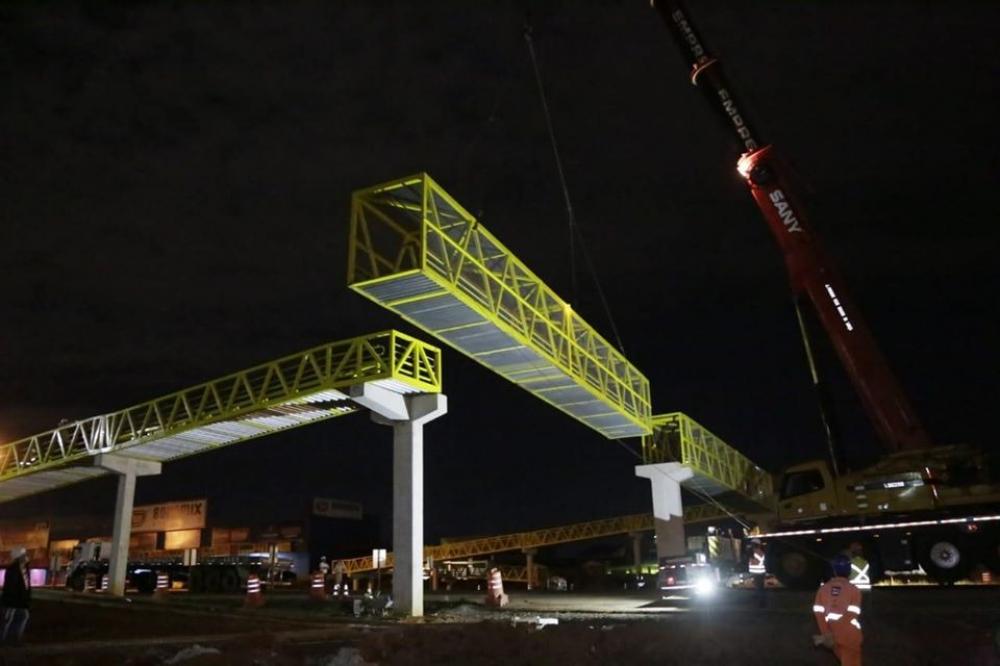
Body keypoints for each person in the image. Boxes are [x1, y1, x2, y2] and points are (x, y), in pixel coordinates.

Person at [813, 554, 863, 666]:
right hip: (849, 637)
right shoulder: (854, 590)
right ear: (849, 570)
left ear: (833, 570)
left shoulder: (822, 590)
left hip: (832, 639)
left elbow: (819, 614)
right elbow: (851, 615)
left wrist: (826, 635)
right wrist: (834, 634)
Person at [1, 547, 31, 646]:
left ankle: (15, 639)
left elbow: (26, 585)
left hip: (21, 601)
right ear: (19, 557)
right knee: (8, 620)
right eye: (24, 555)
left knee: (22, 617)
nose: (26, 556)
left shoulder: (25, 568)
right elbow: (10, 587)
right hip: (13, 601)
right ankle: (4, 640)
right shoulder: (12, 569)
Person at [748, 538, 767, 608]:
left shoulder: (754, 552)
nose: (751, 545)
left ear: (754, 544)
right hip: (761, 572)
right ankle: (760, 599)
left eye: (752, 544)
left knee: (759, 588)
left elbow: (755, 562)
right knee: (760, 587)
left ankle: (762, 603)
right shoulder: (760, 551)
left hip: (757, 572)